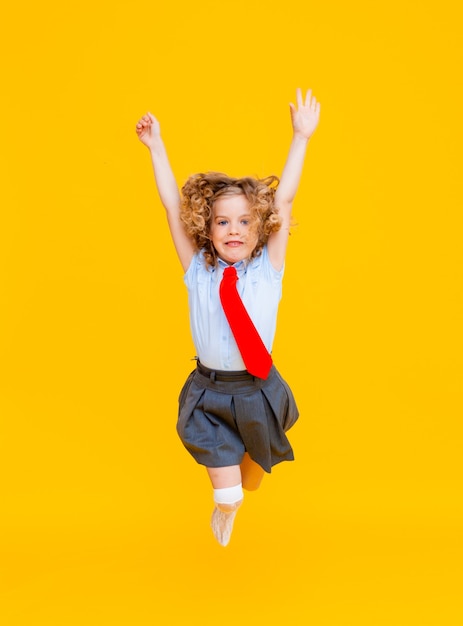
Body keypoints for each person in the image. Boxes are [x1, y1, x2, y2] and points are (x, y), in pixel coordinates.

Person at [135, 88, 320, 546]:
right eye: (222, 222)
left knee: (256, 474)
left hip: (257, 389)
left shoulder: (266, 270)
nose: (233, 229)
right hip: (210, 391)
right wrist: (156, 147)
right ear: (207, 228)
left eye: (243, 221)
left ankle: (242, 478)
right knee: (230, 493)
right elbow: (170, 209)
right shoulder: (199, 270)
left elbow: (286, 200)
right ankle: (227, 505)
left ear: (259, 228)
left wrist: (300, 138)